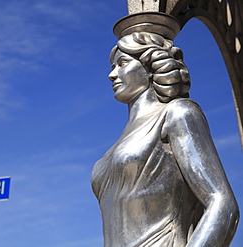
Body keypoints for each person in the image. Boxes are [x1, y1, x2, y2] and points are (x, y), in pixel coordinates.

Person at [91, 12, 239, 247]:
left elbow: (222, 204)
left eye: (122, 64)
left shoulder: (177, 113)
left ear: (150, 65)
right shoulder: (115, 146)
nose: (112, 75)